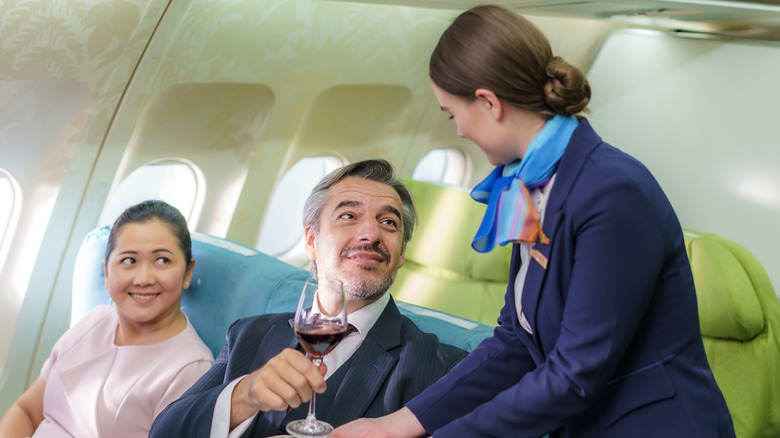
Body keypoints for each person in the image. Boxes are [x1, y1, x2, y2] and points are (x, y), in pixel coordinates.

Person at [333, 5, 735, 438]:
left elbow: (574, 375)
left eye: (453, 115)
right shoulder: (528, 185)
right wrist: (393, 426)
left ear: (488, 102)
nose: (461, 133)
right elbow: (516, 341)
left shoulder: (613, 193)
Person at [149, 159, 467, 438]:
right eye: (348, 216)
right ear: (311, 241)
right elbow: (165, 432)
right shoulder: (250, 334)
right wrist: (244, 397)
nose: (371, 234)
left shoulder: (445, 369)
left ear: (400, 255)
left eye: (389, 222)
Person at [0, 200, 214, 438]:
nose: (143, 278)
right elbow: (27, 411)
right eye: (129, 260)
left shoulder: (192, 370)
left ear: (188, 272)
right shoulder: (93, 321)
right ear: (106, 271)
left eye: (162, 260)